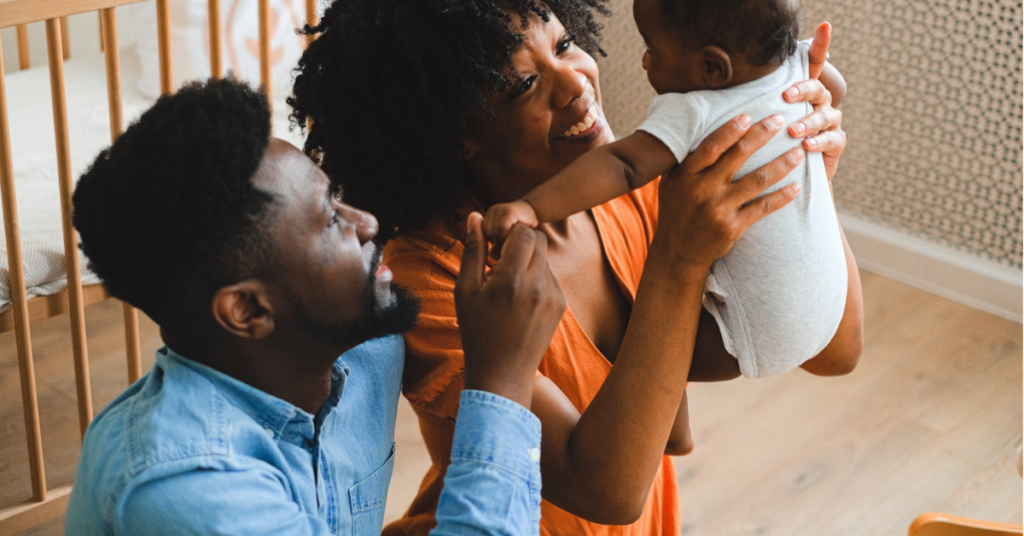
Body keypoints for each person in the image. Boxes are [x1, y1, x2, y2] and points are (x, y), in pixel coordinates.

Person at [289, 1, 862, 534]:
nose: (575, 83)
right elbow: (607, 491)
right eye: (525, 85)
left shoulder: (630, 188)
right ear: (456, 132)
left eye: (564, 46)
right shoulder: (436, 279)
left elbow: (836, 351)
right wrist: (679, 261)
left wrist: (803, 176)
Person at [64, 77, 567, 536]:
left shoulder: (362, 352)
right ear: (247, 311)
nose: (368, 223)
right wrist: (501, 377)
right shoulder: (186, 486)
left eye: (339, 197)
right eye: (331, 221)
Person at [482, 0, 853, 380]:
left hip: (755, 333)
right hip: (828, 298)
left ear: (712, 67)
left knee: (652, 357)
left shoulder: (696, 110)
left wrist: (530, 208)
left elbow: (623, 165)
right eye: (526, 83)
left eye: (652, 50)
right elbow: (834, 87)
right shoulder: (793, 66)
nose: (645, 62)